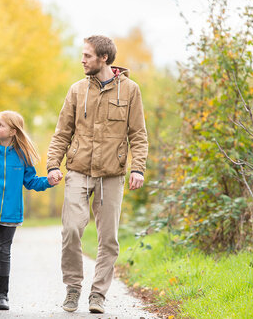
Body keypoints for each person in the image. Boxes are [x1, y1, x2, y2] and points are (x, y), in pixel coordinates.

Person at [47, 35, 148, 314]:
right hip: (78, 170)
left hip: (112, 175)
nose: (82, 60)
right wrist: (53, 164)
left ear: (104, 58)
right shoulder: (77, 90)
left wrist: (137, 168)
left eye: (88, 56)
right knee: (71, 229)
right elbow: (61, 133)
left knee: (108, 239)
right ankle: (73, 287)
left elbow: (138, 135)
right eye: (83, 55)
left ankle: (98, 294)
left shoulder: (130, 91)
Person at [0, 110, 55, 311]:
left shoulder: (22, 156)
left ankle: (2, 296)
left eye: (0, 125)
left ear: (13, 131)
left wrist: (48, 181)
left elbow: (31, 181)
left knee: (4, 252)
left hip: (11, 212)